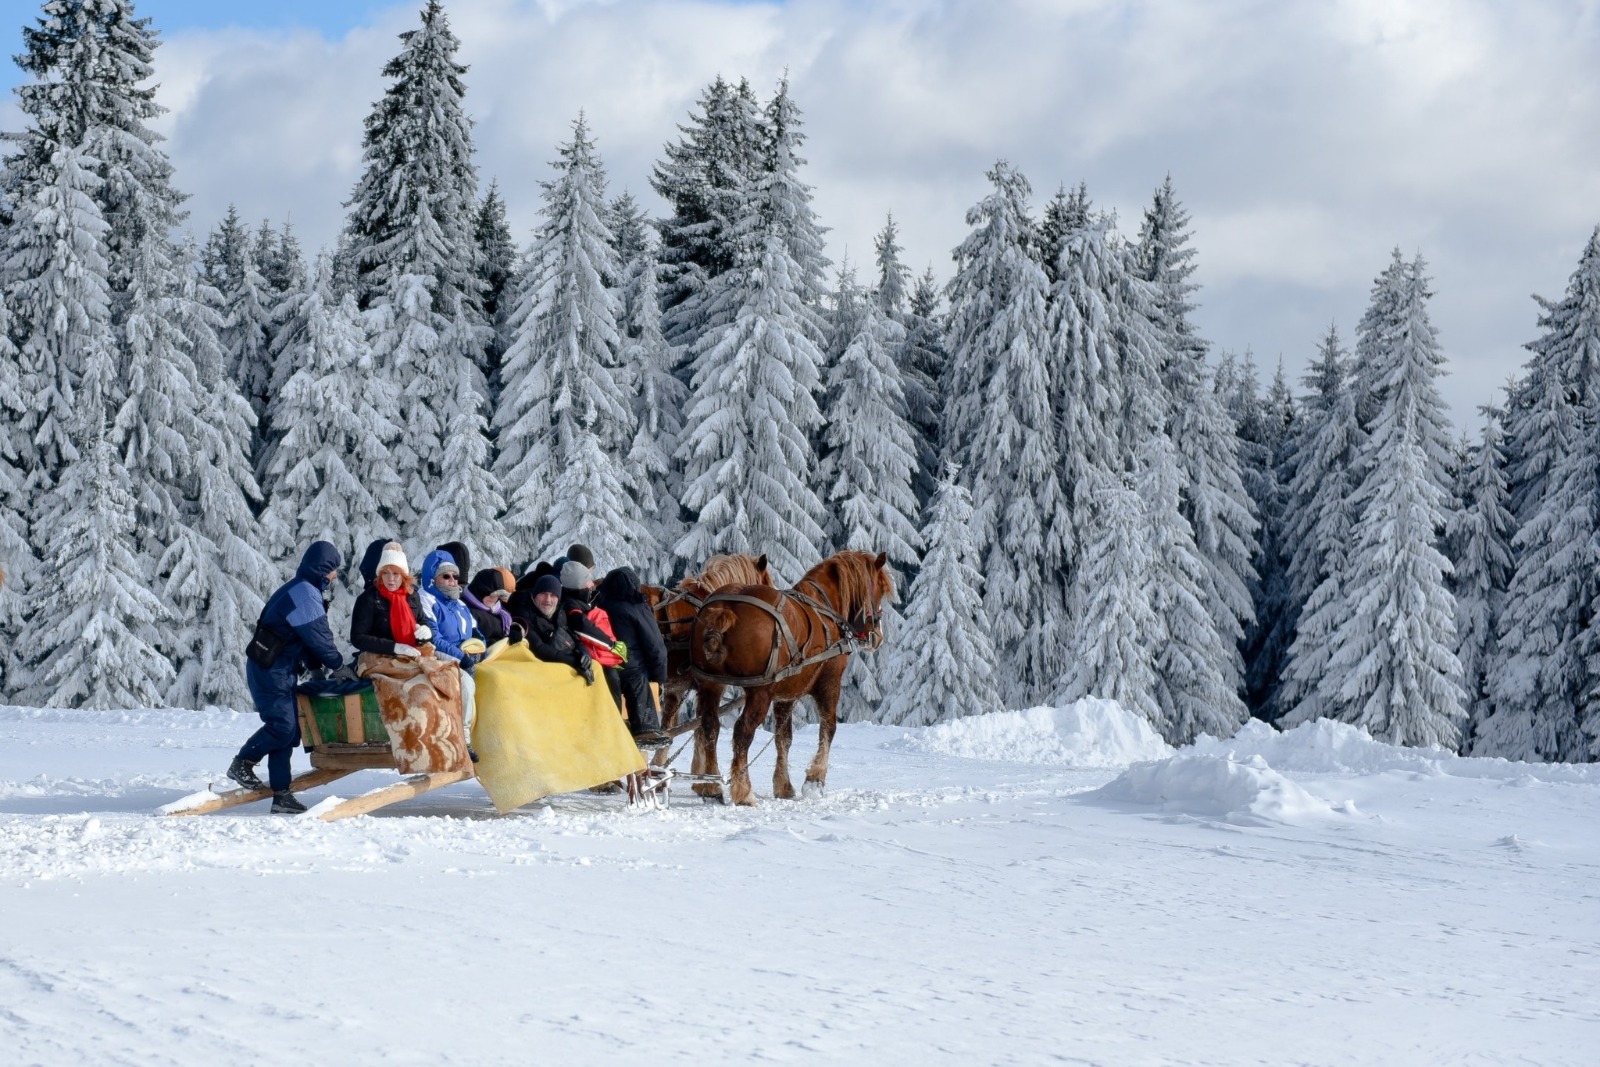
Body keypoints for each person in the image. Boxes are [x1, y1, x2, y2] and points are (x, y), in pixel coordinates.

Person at [230, 541, 345, 814]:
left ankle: (282, 796)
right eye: (332, 570)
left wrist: (315, 667)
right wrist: (338, 665)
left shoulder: (305, 589)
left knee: (290, 732)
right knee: (282, 727)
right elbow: (318, 636)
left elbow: (304, 639)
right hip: (269, 670)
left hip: (280, 670)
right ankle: (242, 762)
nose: (334, 576)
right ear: (322, 568)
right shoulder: (304, 593)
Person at [595, 567, 670, 747]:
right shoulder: (637, 608)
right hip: (630, 669)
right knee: (636, 676)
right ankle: (645, 728)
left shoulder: (598, 604)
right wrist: (659, 679)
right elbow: (655, 646)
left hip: (602, 666)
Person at [420, 549, 484, 759]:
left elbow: (477, 632)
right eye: (445, 576)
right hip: (439, 657)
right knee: (465, 684)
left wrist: (479, 650)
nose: (452, 581)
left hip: (465, 657)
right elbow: (434, 640)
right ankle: (463, 737)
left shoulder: (460, 604)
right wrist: (462, 658)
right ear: (432, 578)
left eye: (455, 576)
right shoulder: (427, 600)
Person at [559, 560, 629, 715]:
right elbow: (582, 626)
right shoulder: (571, 604)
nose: (591, 586)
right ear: (579, 585)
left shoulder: (575, 600)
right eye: (587, 582)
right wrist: (611, 644)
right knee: (612, 677)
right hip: (581, 652)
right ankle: (615, 720)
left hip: (586, 650)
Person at [351, 542, 432, 659]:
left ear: (404, 576)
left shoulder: (412, 595)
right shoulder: (369, 598)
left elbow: (422, 620)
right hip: (378, 658)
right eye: (385, 573)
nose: (390, 579)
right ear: (380, 575)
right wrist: (394, 647)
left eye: (395, 573)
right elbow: (358, 638)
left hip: (414, 653)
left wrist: (426, 630)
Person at [519, 573, 595, 682]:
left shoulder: (560, 613)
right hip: (535, 672)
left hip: (560, 662)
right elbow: (538, 647)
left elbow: (574, 638)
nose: (548, 600)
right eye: (543, 594)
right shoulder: (524, 613)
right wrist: (573, 662)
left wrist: (585, 655)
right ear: (535, 595)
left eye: (553, 595)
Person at [465, 568, 514, 645]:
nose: (493, 598)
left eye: (498, 595)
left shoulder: (498, 609)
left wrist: (517, 627)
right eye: (488, 592)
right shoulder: (467, 610)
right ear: (478, 589)